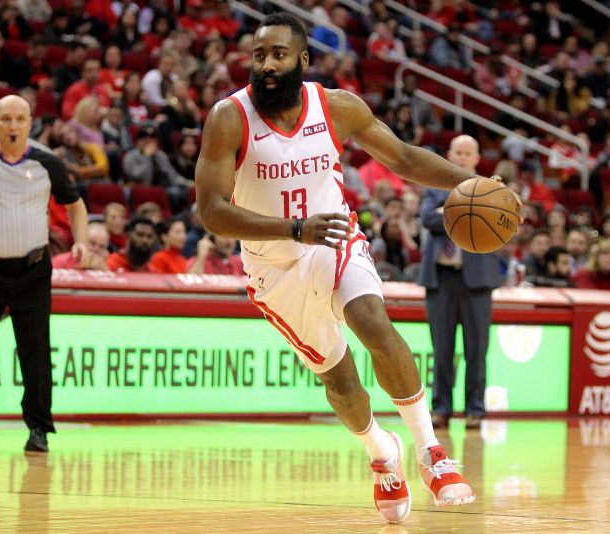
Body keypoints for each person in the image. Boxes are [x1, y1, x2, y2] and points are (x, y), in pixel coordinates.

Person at [195, 13, 520, 523]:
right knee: (341, 382)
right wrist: (294, 229)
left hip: (334, 237)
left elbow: (404, 158)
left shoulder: (337, 107)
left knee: (372, 320)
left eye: (279, 54)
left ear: (303, 59)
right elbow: (212, 212)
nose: (267, 65)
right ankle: (382, 452)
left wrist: (469, 184)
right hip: (274, 265)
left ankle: (431, 452)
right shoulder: (228, 117)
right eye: (259, 56)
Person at [0, 95, 89, 452]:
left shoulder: (48, 164)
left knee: (35, 352)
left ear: (30, 123)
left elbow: (76, 206)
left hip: (33, 273)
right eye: (6, 119)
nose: (13, 126)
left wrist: (81, 242)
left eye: (20, 119)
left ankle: (39, 429)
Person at [417, 135, 502, 430]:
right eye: (458, 152)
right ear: (449, 156)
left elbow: (492, 221)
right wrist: (467, 212)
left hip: (477, 280)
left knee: (476, 350)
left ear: (477, 158)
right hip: (440, 278)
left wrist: (449, 211)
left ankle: (475, 409)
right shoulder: (433, 185)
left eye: (468, 153)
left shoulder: (490, 189)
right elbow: (427, 218)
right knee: (441, 350)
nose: (463, 157)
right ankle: (441, 408)